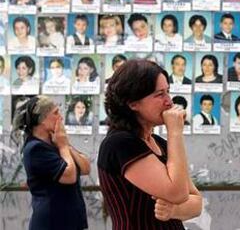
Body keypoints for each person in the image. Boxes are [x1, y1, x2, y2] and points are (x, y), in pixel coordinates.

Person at [98, 59, 202, 228]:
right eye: (160, 94)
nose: (169, 101)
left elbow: (196, 203)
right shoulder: (120, 143)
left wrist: (174, 211)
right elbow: (178, 193)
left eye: (168, 92)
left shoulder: (158, 142)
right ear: (133, 103)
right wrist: (175, 132)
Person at [12, 95, 90, 230]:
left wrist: (65, 144)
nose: (60, 117)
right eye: (55, 113)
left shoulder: (57, 143)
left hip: (71, 222)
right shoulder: (35, 148)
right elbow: (69, 176)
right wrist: (64, 147)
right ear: (42, 120)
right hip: (52, 222)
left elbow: (85, 168)